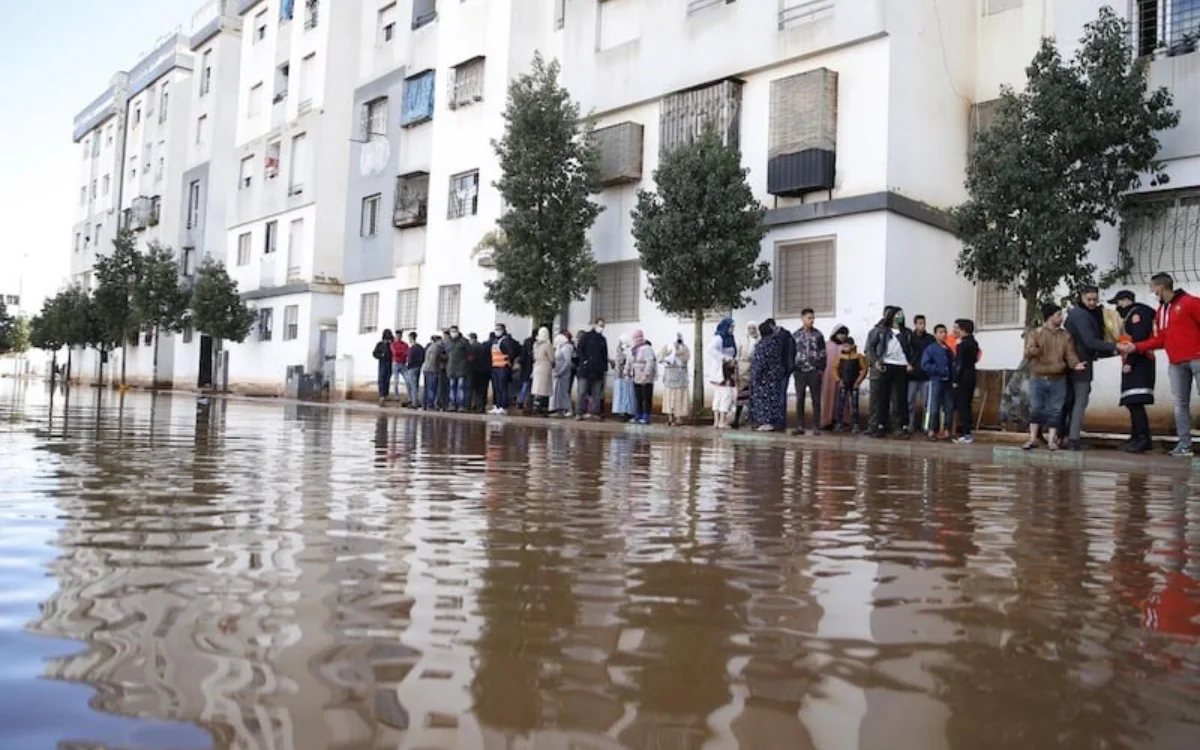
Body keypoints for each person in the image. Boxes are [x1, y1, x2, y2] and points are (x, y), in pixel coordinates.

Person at [1119, 272, 1200, 457]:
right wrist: (1136, 347)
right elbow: (1161, 339)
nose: (1152, 291)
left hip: (1197, 359)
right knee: (1180, 403)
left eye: (1153, 288)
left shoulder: (1190, 302)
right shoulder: (1162, 311)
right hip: (1176, 363)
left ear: (1161, 288)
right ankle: (1184, 445)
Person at [1062, 286, 1118, 450]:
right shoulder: (1081, 315)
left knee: (1070, 402)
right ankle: (1073, 439)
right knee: (1080, 401)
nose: (1093, 303)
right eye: (1089, 300)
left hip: (1072, 363)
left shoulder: (1082, 314)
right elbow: (1090, 341)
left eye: (1095, 299)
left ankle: (1064, 436)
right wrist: (1116, 346)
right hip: (1080, 364)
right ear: (1082, 297)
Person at [1022, 304, 1084, 451]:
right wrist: (1034, 349)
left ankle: (1052, 440)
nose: (1061, 318)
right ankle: (1032, 439)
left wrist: (1075, 365)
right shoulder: (1036, 333)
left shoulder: (1065, 335)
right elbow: (1028, 352)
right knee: (1036, 408)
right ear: (1049, 316)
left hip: (1058, 378)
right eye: (1058, 315)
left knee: (1056, 410)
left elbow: (1070, 354)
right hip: (1038, 376)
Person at [1110, 290, 1157, 453]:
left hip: (1139, 363)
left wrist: (1130, 361)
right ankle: (1137, 437)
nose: (1117, 308)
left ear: (1125, 301)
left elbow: (1138, 340)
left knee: (1135, 401)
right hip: (1134, 362)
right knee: (1131, 402)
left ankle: (1142, 439)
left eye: (1118, 303)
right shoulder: (1132, 314)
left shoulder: (1138, 314)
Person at [866, 306, 913, 437]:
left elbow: (913, 350)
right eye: (898, 314)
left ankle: (899, 426)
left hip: (901, 367)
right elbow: (870, 348)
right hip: (886, 366)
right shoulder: (880, 331)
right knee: (882, 398)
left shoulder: (907, 333)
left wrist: (910, 363)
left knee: (899, 399)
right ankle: (880, 426)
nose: (900, 317)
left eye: (902, 314)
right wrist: (876, 362)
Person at [791, 309, 827, 435]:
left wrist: (820, 369)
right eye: (809, 318)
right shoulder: (796, 335)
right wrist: (793, 368)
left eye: (813, 318)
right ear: (802, 318)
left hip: (814, 371)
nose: (811, 320)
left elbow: (823, 353)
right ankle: (800, 426)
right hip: (800, 371)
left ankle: (816, 426)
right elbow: (792, 353)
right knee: (800, 398)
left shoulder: (818, 335)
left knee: (816, 400)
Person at [750, 319, 788, 432]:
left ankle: (765, 422)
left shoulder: (762, 345)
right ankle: (773, 421)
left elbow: (759, 362)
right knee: (774, 399)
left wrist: (755, 376)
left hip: (764, 378)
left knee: (763, 399)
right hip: (775, 375)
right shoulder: (777, 343)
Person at [919, 324, 954, 440]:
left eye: (944, 332)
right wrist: (938, 371)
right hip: (935, 381)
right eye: (940, 332)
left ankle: (946, 430)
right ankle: (930, 430)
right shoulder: (931, 349)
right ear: (935, 334)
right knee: (933, 406)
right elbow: (925, 364)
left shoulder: (948, 350)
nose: (943, 334)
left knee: (948, 407)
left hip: (948, 382)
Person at [907, 315, 936, 434]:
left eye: (923, 323)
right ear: (915, 324)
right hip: (912, 376)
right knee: (910, 403)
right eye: (919, 323)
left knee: (926, 405)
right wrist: (907, 365)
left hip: (926, 376)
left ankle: (926, 426)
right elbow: (905, 353)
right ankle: (910, 425)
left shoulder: (930, 339)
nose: (922, 326)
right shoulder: (909, 338)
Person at [951, 319, 979, 443]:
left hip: (962, 378)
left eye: (958, 328)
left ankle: (966, 433)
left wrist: (955, 379)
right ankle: (967, 433)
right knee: (967, 405)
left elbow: (959, 364)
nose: (956, 330)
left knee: (962, 406)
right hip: (971, 376)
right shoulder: (974, 343)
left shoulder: (962, 345)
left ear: (963, 330)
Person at [575, 318, 610, 420]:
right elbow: (580, 350)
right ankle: (579, 412)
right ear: (595, 324)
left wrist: (604, 368)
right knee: (582, 391)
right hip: (585, 369)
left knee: (597, 393)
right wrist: (584, 361)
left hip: (598, 370)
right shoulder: (586, 337)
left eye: (603, 326)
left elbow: (604, 354)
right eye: (600, 325)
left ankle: (595, 412)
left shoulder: (602, 339)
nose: (601, 328)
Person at [833, 336, 867, 432]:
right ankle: (839, 423)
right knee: (841, 404)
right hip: (843, 383)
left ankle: (856, 424)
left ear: (852, 346)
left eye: (847, 346)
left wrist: (858, 381)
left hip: (854, 383)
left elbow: (864, 369)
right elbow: (834, 368)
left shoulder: (858, 357)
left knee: (855, 405)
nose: (844, 348)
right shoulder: (840, 357)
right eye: (843, 346)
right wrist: (838, 380)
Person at [707, 317, 738, 423]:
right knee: (725, 394)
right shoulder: (719, 338)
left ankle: (718, 421)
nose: (733, 329)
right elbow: (710, 349)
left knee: (721, 395)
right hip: (723, 371)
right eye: (731, 327)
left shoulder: (730, 338)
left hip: (728, 369)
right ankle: (720, 421)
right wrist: (724, 358)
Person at [821, 324, 850, 430]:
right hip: (828, 376)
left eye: (844, 334)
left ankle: (841, 420)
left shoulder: (846, 347)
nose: (842, 336)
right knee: (829, 397)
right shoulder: (827, 345)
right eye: (840, 333)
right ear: (835, 334)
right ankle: (827, 421)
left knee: (841, 398)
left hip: (842, 375)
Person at [659, 334, 691, 426]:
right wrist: (668, 354)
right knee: (669, 400)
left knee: (679, 399)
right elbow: (660, 358)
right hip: (669, 378)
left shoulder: (685, 349)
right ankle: (670, 418)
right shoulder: (667, 348)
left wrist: (676, 354)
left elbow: (686, 358)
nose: (677, 343)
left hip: (680, 379)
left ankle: (678, 418)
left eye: (679, 340)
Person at [733, 322, 760, 429]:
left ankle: (753, 420)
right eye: (750, 328)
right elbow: (738, 354)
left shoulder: (759, 340)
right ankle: (736, 419)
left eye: (753, 328)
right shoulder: (742, 340)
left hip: (753, 369)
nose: (752, 330)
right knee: (741, 395)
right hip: (743, 369)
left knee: (753, 397)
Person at [489, 323, 519, 415]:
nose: (497, 331)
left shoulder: (505, 341)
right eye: (496, 329)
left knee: (503, 388)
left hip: (503, 367)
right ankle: (498, 405)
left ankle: (503, 406)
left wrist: (509, 362)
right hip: (496, 367)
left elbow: (511, 353)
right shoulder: (495, 341)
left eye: (499, 329)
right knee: (497, 388)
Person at [630, 329, 657, 424]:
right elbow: (631, 361)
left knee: (646, 397)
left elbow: (650, 361)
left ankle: (646, 416)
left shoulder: (647, 348)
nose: (638, 339)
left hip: (645, 376)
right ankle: (638, 414)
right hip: (636, 375)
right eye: (636, 337)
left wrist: (646, 374)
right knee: (638, 397)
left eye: (640, 336)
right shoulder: (634, 349)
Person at [444, 326, 470, 411]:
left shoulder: (464, 341)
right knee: (452, 387)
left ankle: (461, 405)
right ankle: (452, 405)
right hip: (451, 369)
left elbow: (470, 354)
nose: (453, 333)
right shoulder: (448, 342)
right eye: (452, 331)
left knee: (461, 387)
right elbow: (447, 354)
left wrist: (466, 364)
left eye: (455, 331)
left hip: (462, 369)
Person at [612, 335, 636, 421]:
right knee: (620, 394)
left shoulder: (629, 350)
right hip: (619, 376)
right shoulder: (619, 349)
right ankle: (620, 412)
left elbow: (626, 361)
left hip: (626, 376)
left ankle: (627, 412)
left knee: (627, 395)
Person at [531, 326, 554, 415]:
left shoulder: (535, 344)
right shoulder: (547, 345)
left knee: (537, 389)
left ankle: (536, 406)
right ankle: (543, 408)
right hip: (545, 368)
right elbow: (552, 358)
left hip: (537, 367)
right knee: (544, 390)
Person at [551, 333, 575, 417]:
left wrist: (560, 372)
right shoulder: (560, 347)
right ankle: (559, 409)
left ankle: (569, 409)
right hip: (558, 374)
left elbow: (567, 362)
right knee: (558, 392)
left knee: (564, 392)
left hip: (563, 374)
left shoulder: (566, 348)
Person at [713, 359, 738, 429]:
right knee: (725, 402)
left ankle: (716, 421)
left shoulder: (717, 358)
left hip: (718, 383)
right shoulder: (729, 359)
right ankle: (722, 422)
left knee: (717, 402)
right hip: (727, 385)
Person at [372, 329, 395, 405]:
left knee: (387, 379)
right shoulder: (380, 344)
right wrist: (381, 355)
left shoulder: (392, 344)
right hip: (382, 362)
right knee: (381, 379)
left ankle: (385, 394)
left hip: (390, 363)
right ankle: (382, 394)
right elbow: (375, 353)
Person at [403, 332, 423, 407]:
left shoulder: (412, 348)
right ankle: (415, 400)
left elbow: (410, 360)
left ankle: (414, 402)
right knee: (416, 384)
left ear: (411, 338)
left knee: (412, 385)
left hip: (412, 368)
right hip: (418, 367)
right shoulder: (420, 347)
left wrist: (408, 365)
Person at [422, 334, 442, 409]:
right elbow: (433, 359)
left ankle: (425, 404)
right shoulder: (436, 348)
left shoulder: (430, 346)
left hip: (426, 369)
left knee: (427, 387)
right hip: (432, 370)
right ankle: (430, 404)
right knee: (432, 388)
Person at [390, 329, 409, 401]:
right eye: (397, 336)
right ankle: (396, 396)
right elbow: (395, 353)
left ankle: (409, 396)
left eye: (400, 336)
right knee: (396, 381)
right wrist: (402, 353)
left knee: (407, 380)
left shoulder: (405, 344)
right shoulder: (393, 344)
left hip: (403, 363)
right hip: (396, 363)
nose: (398, 337)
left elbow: (406, 353)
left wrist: (400, 353)